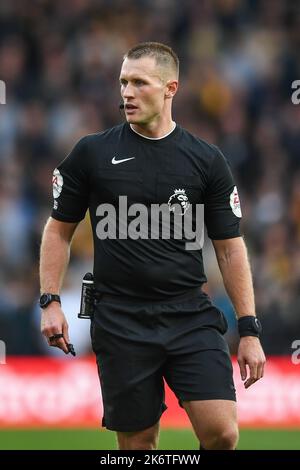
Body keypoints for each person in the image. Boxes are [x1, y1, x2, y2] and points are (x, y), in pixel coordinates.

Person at [39, 42, 266, 450]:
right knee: (139, 444)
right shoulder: (92, 153)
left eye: (139, 83)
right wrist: (50, 300)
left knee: (223, 433)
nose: (126, 92)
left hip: (189, 314)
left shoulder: (207, 160)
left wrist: (249, 329)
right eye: (123, 82)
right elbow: (58, 230)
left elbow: (230, 248)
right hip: (120, 318)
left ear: (170, 88)